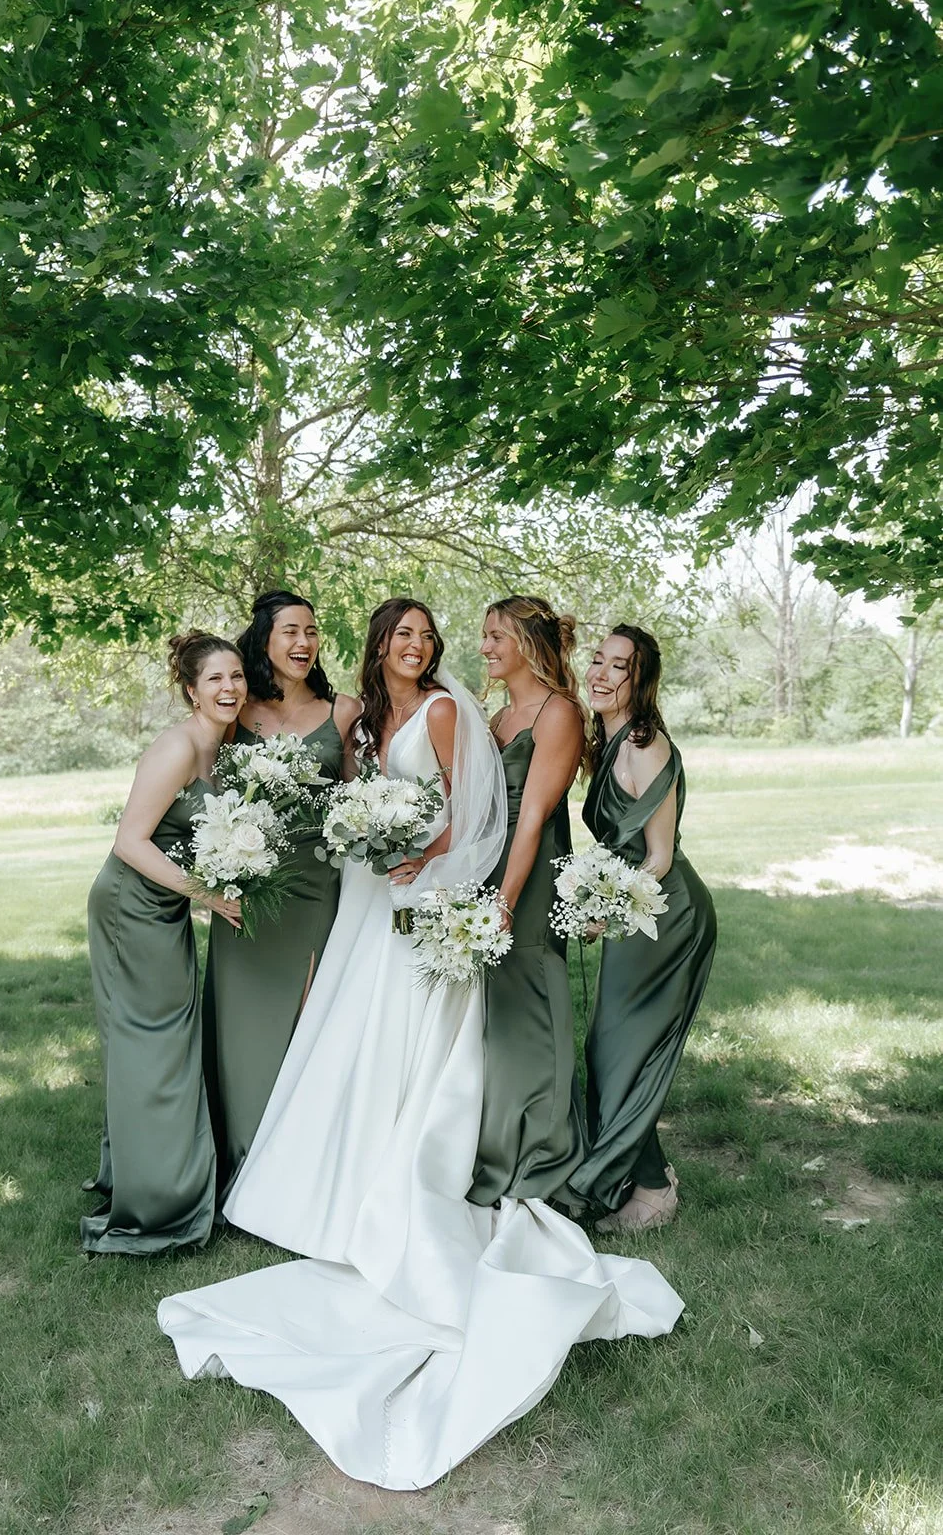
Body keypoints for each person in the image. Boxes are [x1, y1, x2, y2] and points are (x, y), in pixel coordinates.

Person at [158, 600, 682, 1490]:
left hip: (443, 886)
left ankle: (501, 1159)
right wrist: (373, 832)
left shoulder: (451, 708)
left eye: (443, 636)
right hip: (379, 888)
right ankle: (341, 1167)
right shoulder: (371, 713)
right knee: (355, 1028)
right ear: (379, 647)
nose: (434, 647)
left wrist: (450, 869)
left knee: (455, 1028)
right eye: (411, 635)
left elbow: (480, 813)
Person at [82, 631, 245, 1255]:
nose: (229, 688)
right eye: (215, 680)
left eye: (236, 677)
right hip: (130, 906)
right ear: (191, 689)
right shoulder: (178, 746)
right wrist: (210, 896)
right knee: (149, 1046)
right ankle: (156, 1201)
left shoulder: (222, 746)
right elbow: (131, 840)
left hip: (168, 906)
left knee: (170, 1042)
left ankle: (154, 1174)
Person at [202, 590, 360, 1197]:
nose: (303, 643)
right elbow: (203, 789)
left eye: (313, 632)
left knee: (307, 1021)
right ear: (264, 639)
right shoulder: (235, 710)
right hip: (245, 888)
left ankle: (298, 1170)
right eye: (290, 631)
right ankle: (240, 1163)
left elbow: (354, 796)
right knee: (244, 1029)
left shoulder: (343, 709)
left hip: (315, 887)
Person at [571, 624, 717, 1233]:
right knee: (612, 1054)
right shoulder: (605, 740)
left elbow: (657, 854)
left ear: (641, 679)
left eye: (618, 667)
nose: (602, 675)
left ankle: (653, 1192)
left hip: (665, 912)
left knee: (618, 1055)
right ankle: (640, 1178)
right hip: (638, 909)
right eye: (598, 662)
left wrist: (606, 902)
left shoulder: (645, 742)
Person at [469, 595, 590, 1206]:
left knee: (535, 1000)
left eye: (496, 636)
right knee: (499, 1015)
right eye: (485, 636)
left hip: (532, 871)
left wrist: (506, 901)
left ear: (527, 643)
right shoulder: (497, 719)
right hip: (492, 861)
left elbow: (536, 815)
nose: (486, 647)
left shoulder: (558, 713)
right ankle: (501, 1143)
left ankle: (545, 1156)